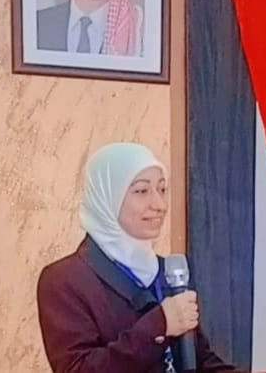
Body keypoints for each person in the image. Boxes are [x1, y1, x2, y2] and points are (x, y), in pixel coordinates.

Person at [37, 142, 246, 373]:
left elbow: (201, 361)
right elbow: (78, 369)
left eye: (162, 189)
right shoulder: (65, 280)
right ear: (107, 197)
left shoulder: (167, 273)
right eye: (141, 191)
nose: (159, 205)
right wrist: (159, 325)